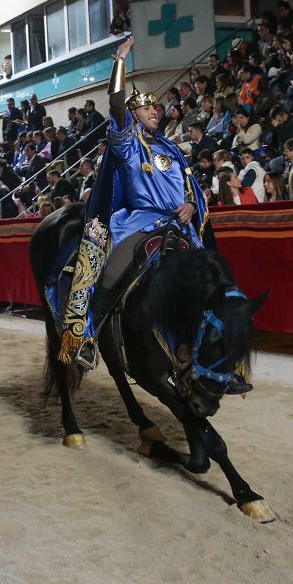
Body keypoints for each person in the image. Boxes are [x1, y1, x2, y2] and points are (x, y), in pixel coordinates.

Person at [60, 38, 208, 368]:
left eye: (156, 107)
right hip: (139, 222)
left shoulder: (172, 149)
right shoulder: (130, 142)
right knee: (112, 272)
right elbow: (115, 101)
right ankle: (88, 337)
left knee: (211, 280)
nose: (154, 110)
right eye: (145, 107)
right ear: (133, 115)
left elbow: (189, 190)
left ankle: (212, 353)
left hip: (179, 225)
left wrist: (191, 205)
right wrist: (119, 62)